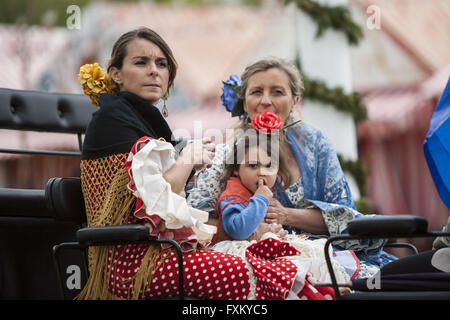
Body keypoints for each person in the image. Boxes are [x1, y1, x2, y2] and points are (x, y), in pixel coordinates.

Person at [76, 27, 335, 300]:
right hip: (132, 264)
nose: (154, 71)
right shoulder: (114, 120)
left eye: (161, 64)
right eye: (141, 62)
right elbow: (156, 205)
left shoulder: (143, 122)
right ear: (115, 74)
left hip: (162, 250)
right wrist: (188, 158)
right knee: (250, 270)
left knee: (278, 261)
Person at [187, 57, 396, 277]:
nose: (266, 100)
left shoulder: (315, 144)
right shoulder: (229, 150)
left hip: (325, 253)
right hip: (260, 261)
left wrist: (285, 215)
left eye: (277, 92)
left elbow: (345, 220)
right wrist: (247, 229)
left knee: (390, 280)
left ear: (295, 100)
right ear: (244, 100)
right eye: (257, 92)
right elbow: (195, 217)